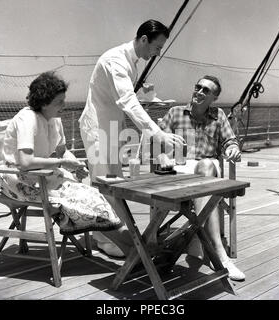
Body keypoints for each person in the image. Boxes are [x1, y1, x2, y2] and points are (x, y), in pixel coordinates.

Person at [79, 19, 184, 256]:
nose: (157, 53)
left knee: (113, 183)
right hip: (97, 127)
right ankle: (105, 240)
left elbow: (126, 98)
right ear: (144, 39)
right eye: (156, 48)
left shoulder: (131, 62)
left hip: (113, 126)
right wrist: (158, 134)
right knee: (104, 183)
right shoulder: (116, 60)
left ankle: (113, 235)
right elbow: (127, 101)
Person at [0, 72, 132, 256]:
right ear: (44, 102)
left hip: (43, 177)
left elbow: (61, 151)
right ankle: (135, 250)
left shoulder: (54, 120)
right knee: (84, 200)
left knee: (94, 195)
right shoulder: (27, 119)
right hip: (20, 181)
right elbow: (25, 162)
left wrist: (75, 164)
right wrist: (62, 162)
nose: (64, 105)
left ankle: (132, 248)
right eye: (59, 102)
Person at [157, 75, 245, 281]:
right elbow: (158, 143)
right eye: (198, 87)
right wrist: (162, 157)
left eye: (206, 90)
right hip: (179, 170)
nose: (199, 92)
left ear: (214, 97)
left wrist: (233, 149)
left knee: (205, 166)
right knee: (202, 178)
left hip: (206, 168)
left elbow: (230, 141)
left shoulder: (219, 115)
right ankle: (212, 246)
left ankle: (215, 248)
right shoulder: (175, 113)